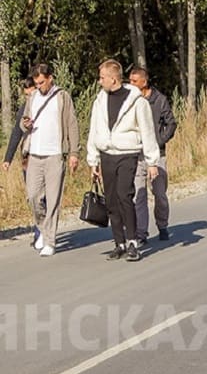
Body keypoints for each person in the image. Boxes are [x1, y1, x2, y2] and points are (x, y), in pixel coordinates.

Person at [86, 60, 160, 262]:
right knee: (111, 200)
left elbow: (147, 130)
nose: (99, 81)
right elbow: (94, 131)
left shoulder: (137, 101)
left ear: (113, 78)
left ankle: (133, 242)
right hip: (106, 155)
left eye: (102, 77)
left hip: (128, 153)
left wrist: (152, 161)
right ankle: (119, 243)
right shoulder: (99, 101)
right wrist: (93, 160)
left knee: (124, 196)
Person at [19, 63, 80, 257]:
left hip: (54, 154)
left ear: (50, 78)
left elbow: (71, 124)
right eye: (36, 84)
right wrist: (25, 124)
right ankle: (43, 230)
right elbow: (23, 123)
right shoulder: (33, 97)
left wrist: (73, 153)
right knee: (33, 196)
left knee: (53, 199)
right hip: (34, 154)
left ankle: (50, 240)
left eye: (42, 83)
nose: (39, 86)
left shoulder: (62, 97)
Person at [128, 67, 176, 243]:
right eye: (129, 81)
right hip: (137, 154)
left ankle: (162, 225)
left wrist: (158, 142)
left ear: (144, 82)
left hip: (156, 155)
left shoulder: (159, 100)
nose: (130, 84)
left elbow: (171, 124)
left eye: (134, 81)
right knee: (139, 194)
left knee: (159, 194)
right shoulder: (130, 100)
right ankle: (141, 233)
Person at [3, 78, 42, 246]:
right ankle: (39, 227)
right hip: (28, 157)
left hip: (46, 156)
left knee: (44, 195)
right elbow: (16, 134)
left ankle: (44, 230)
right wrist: (7, 158)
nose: (29, 98)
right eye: (26, 95)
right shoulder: (24, 110)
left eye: (32, 93)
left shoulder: (46, 108)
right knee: (32, 195)